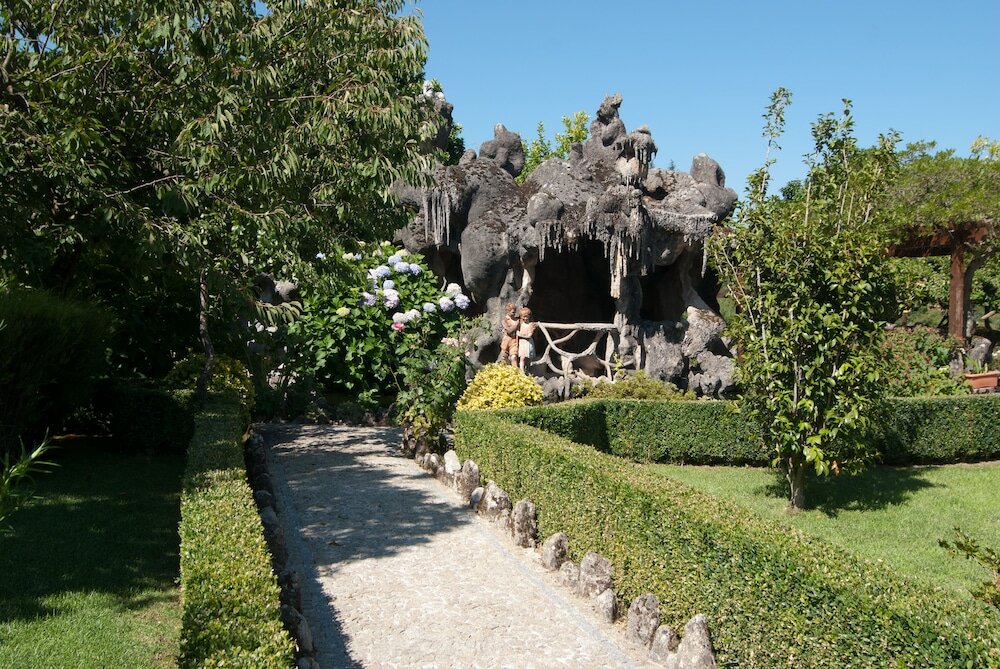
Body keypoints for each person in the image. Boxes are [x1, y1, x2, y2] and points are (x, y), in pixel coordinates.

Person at [517, 307, 537, 373]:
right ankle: (521, 371)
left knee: (528, 358)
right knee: (522, 357)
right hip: (522, 343)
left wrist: (520, 335)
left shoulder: (531, 325)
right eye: (523, 317)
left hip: (528, 343)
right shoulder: (520, 324)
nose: (525, 318)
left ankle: (527, 370)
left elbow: (529, 335)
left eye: (526, 317)